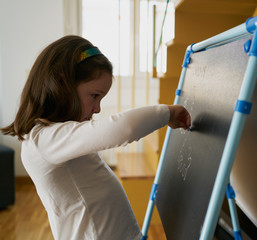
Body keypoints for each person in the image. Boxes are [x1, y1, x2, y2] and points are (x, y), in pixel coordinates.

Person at [1, 35, 191, 240]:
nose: (98, 108)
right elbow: (123, 128)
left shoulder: (58, 135)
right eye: (94, 96)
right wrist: (168, 113)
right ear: (62, 83)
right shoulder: (45, 140)